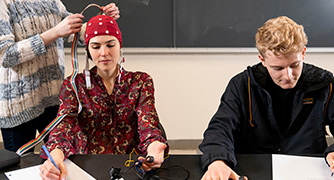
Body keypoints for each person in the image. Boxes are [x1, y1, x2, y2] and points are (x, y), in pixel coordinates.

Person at [199, 16, 334, 180]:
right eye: (278, 68)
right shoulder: (242, 85)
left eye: (294, 65)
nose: (288, 76)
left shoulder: (324, 84)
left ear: (303, 53)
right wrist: (217, 160)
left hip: (308, 169)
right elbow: (220, 128)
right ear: (262, 60)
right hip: (255, 168)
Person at [38, 14, 168, 180]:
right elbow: (64, 127)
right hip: (87, 167)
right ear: (88, 51)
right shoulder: (74, 85)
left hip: (129, 166)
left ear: (120, 45)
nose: (104, 52)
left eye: (110, 44)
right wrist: (55, 157)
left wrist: (154, 147)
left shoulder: (141, 82)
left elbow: (147, 122)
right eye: (96, 46)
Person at [0, 0, 120, 152]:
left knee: (61, 159)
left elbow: (75, 32)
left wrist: (101, 22)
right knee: (20, 168)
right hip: (19, 105)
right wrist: (54, 33)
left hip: (54, 99)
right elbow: (5, 56)